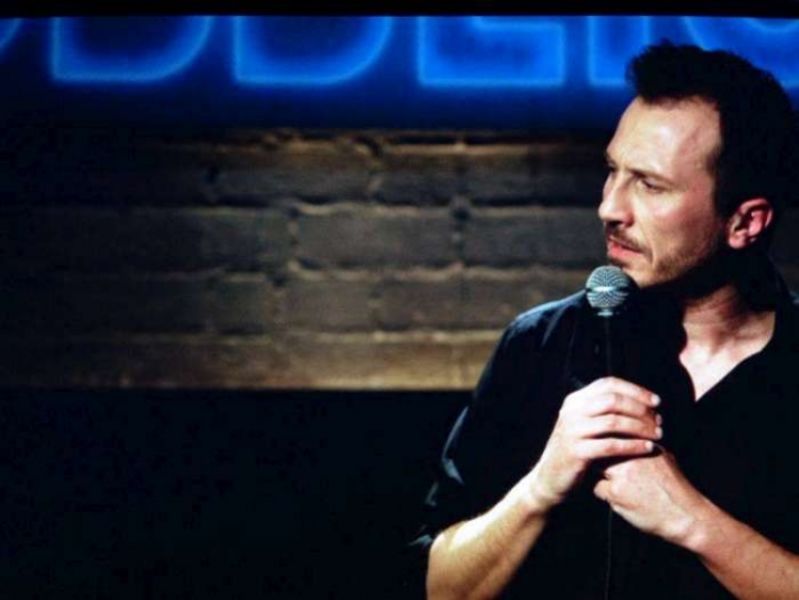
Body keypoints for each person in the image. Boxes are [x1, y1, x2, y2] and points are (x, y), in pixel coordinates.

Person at [409, 42, 799, 599]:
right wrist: (540, 489)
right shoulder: (540, 345)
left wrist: (694, 522)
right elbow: (441, 589)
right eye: (613, 171)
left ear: (745, 223)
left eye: (650, 185)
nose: (610, 209)